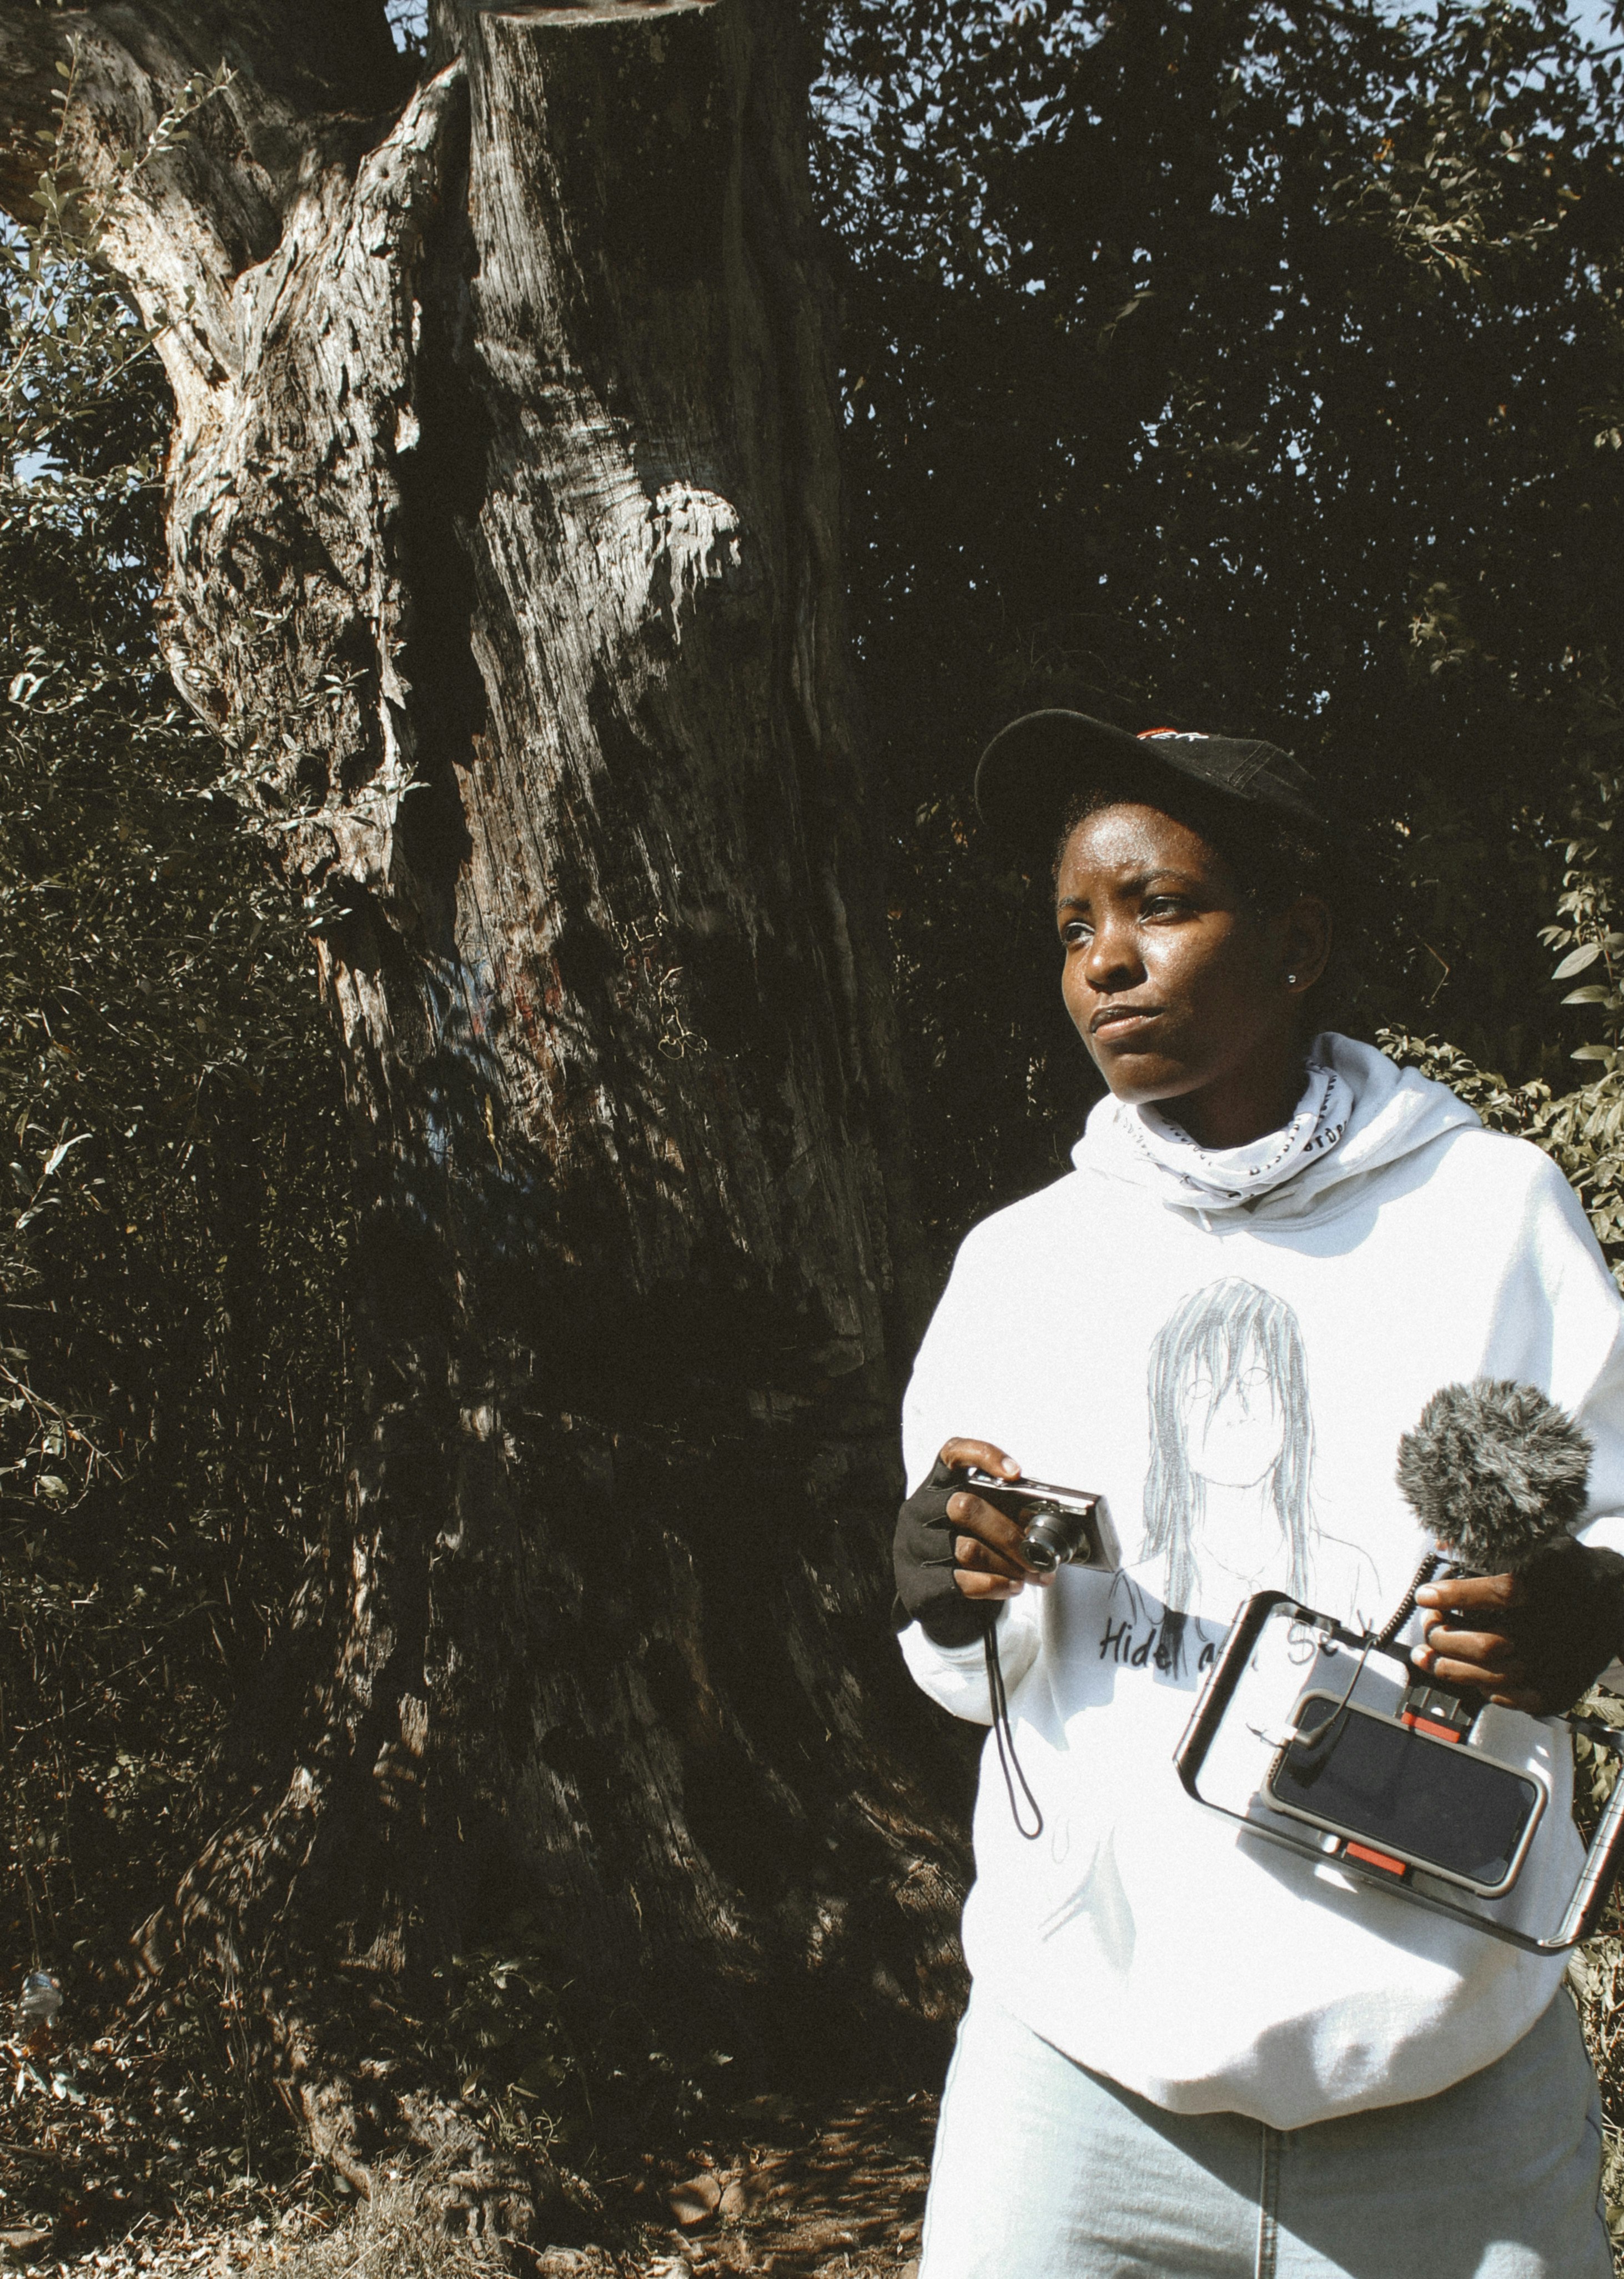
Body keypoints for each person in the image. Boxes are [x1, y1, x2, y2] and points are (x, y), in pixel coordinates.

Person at [891, 710, 1624, 2279]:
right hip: (1082, 2089)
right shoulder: (1023, 1266)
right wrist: (947, 1588)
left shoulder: (1490, 1212)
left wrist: (1585, 1608)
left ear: (1299, 944)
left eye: (1160, 905)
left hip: (1450, 2096)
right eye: (1075, 924)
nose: (1107, 960)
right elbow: (965, 1673)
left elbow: (1611, 1532)